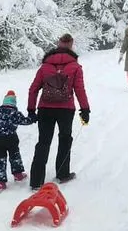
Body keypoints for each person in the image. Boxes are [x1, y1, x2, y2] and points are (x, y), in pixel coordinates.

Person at [27, 34, 90, 190]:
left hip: (45, 109)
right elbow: (79, 89)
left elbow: (33, 89)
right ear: (71, 46)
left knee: (43, 142)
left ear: (58, 45)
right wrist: (85, 109)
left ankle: (36, 181)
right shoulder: (75, 67)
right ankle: (63, 174)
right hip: (66, 109)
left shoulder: (45, 67)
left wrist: (31, 109)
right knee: (65, 139)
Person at [0, 90, 36, 191]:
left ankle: (0, 182)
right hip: (11, 139)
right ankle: (18, 174)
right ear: (14, 102)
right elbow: (24, 121)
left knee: (0, 161)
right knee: (15, 157)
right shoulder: (14, 113)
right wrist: (32, 118)